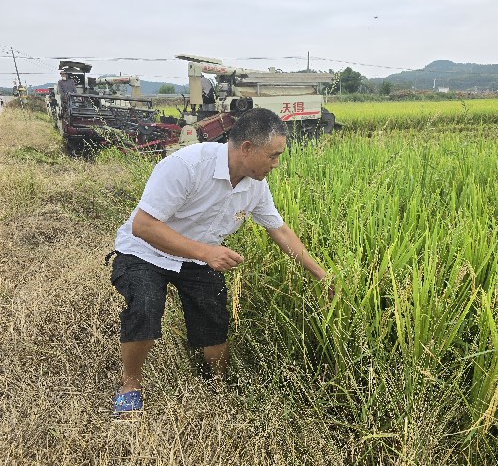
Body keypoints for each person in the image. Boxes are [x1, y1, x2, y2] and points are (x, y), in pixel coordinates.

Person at [108, 108, 331, 415]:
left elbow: (278, 229)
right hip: (145, 250)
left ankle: (219, 383)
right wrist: (206, 253)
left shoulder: (255, 185)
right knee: (145, 306)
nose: (276, 164)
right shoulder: (186, 166)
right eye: (273, 155)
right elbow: (143, 226)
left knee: (214, 318)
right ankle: (130, 384)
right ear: (247, 148)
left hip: (199, 256)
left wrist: (321, 274)